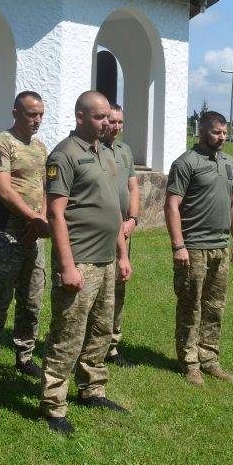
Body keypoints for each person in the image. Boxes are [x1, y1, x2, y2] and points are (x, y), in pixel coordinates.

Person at [40, 91, 132, 435]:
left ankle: (92, 388)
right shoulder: (64, 155)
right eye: (99, 117)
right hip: (81, 261)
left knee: (100, 330)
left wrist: (122, 255)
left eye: (109, 117)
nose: (107, 123)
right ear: (80, 117)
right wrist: (67, 266)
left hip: (107, 259)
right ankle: (53, 404)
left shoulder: (104, 153)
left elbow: (114, 210)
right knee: (68, 333)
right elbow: (55, 213)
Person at [165, 110, 233, 386]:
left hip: (220, 248)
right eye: (216, 132)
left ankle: (209, 359)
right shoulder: (187, 163)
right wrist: (178, 245)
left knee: (214, 307)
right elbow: (172, 205)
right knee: (190, 306)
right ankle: (189, 362)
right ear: (201, 132)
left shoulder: (229, 163)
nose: (221, 137)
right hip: (193, 248)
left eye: (224, 132)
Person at [0, 91, 49, 390]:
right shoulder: (1, 144)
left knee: (32, 301)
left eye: (41, 114)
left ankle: (25, 355)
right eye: (32, 114)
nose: (38, 120)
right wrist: (33, 220)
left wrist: (41, 219)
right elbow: (4, 191)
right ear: (16, 112)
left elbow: (45, 188)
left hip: (34, 236)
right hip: (8, 234)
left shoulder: (41, 148)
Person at [102, 103, 140, 367]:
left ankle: (112, 345)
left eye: (120, 122)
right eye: (111, 121)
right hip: (101, 230)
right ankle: (94, 342)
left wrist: (133, 220)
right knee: (99, 287)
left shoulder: (125, 150)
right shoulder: (95, 149)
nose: (115, 127)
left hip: (124, 230)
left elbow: (132, 187)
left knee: (119, 285)